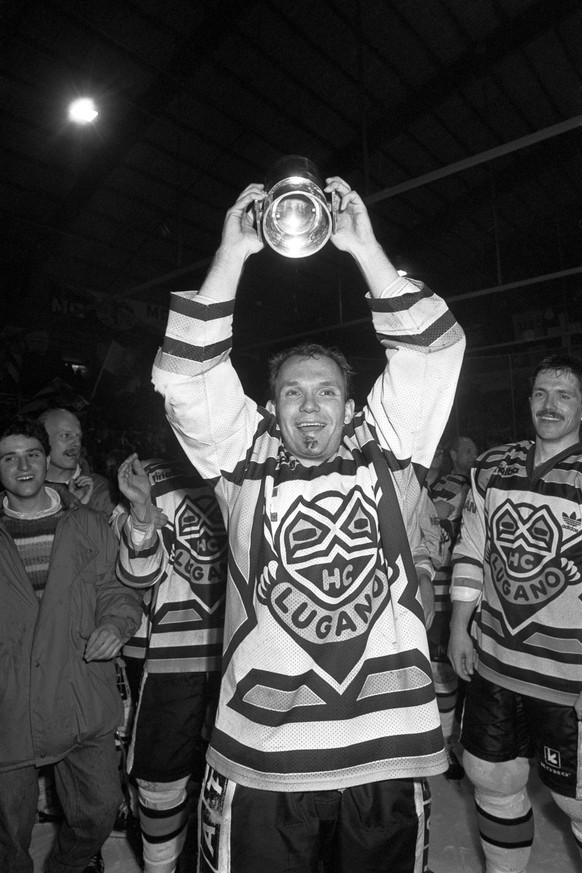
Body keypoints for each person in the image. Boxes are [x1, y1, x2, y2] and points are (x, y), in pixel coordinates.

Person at [151, 176, 465, 873]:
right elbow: (184, 379)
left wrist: (363, 247)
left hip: (385, 755)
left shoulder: (390, 449)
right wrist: (232, 255)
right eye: (293, 392)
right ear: (271, 407)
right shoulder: (241, 458)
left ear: (353, 406)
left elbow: (435, 350)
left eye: (327, 391)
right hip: (264, 758)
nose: (311, 406)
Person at [448, 353, 582, 873]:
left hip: (567, 677)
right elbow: (471, 547)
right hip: (496, 664)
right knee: (490, 779)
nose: (549, 405)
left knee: (577, 802)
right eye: (540, 394)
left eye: (564, 395)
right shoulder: (494, 465)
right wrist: (459, 626)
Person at [0, 416, 142, 873]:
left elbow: (118, 590)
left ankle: (66, 867)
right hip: (9, 701)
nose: (23, 466)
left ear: (46, 460)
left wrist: (116, 625)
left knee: (100, 811)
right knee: (7, 835)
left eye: (32, 454)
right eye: (9, 458)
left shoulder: (87, 523)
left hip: (80, 690)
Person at [115, 453, 227, 873]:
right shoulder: (150, 475)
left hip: (246, 655)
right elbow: (137, 574)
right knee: (160, 778)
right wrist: (141, 513)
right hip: (174, 656)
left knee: (244, 780)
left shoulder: (253, 457)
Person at [428, 435, 477, 780]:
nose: (475, 456)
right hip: (429, 588)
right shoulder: (439, 486)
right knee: (435, 668)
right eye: (468, 450)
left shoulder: (475, 486)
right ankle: (435, 743)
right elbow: (428, 526)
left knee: (450, 669)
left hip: (459, 589)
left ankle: (445, 741)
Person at [38, 407, 116, 518]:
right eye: (66, 435)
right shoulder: (26, 491)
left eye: (79, 436)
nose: (77, 443)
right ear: (41, 440)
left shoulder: (104, 491)